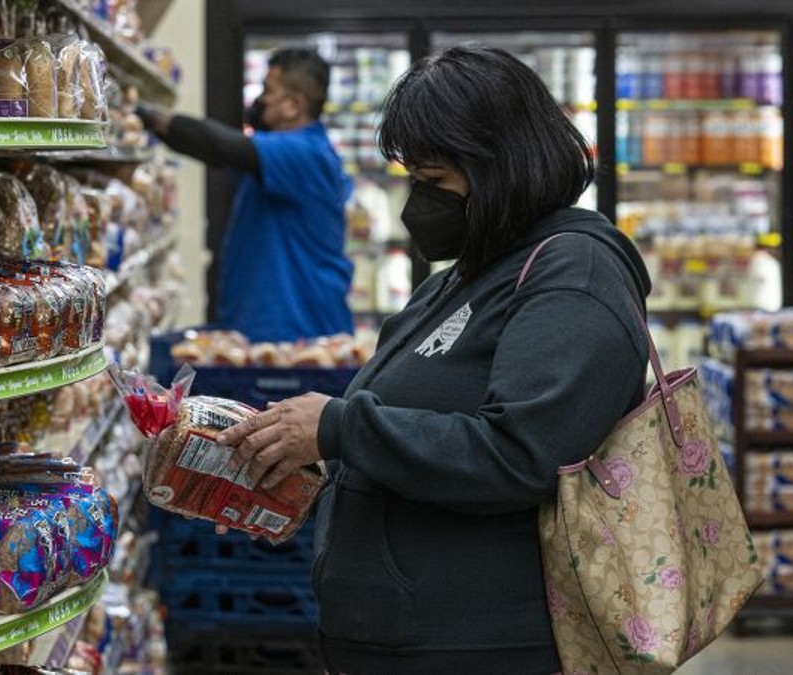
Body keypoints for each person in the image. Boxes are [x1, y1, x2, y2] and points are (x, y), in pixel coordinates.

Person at [216, 46, 653, 673]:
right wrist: (298, 475)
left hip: (489, 645)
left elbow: (524, 454)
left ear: (503, 168)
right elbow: (416, 431)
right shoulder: (470, 273)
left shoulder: (573, 273)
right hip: (407, 640)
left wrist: (338, 428)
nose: (416, 204)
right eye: (413, 179)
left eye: (436, 182)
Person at [137, 48, 353, 343]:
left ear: (293, 105)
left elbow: (221, 146)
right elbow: (217, 152)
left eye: (268, 90)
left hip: (300, 333)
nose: (260, 99)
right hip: (270, 329)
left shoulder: (307, 152)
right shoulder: (282, 150)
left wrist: (146, 115)